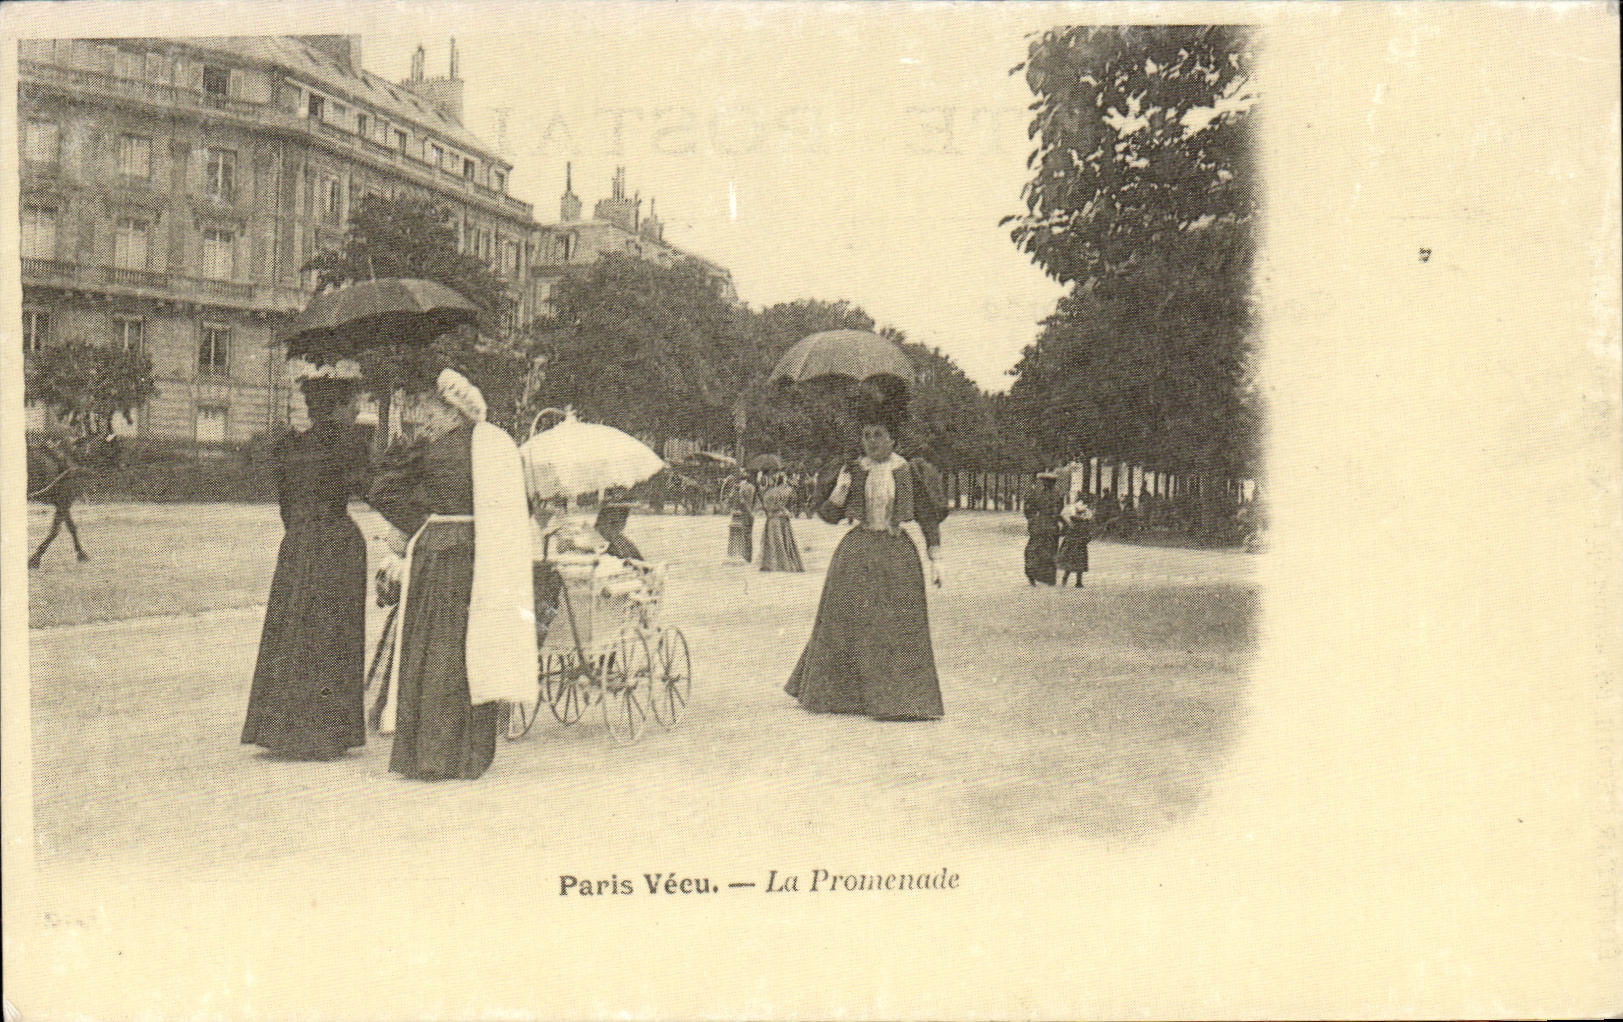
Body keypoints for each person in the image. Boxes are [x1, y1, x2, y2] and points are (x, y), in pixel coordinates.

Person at [368, 368, 536, 781]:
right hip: (486, 554)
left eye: (432, 412)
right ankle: (467, 755)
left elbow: (381, 491)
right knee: (471, 651)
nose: (425, 420)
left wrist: (422, 523)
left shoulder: (432, 451)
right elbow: (523, 507)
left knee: (431, 647)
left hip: (438, 551)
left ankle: (425, 754)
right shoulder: (498, 448)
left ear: (451, 412)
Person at [785, 403, 947, 721]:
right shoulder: (853, 469)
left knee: (895, 624)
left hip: (896, 551)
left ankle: (901, 699)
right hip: (857, 551)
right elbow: (829, 516)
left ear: (893, 440)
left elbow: (928, 516)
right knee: (846, 619)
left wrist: (936, 558)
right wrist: (840, 491)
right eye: (866, 435)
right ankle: (844, 696)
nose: (871, 441)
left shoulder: (910, 471)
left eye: (879, 435)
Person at [241, 371, 371, 760]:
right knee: (332, 632)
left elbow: (286, 505)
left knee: (292, 628)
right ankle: (326, 731)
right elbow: (369, 488)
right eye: (353, 404)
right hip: (335, 543)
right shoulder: (349, 443)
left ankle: (280, 728)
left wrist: (301, 532)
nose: (358, 410)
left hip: (297, 542)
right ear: (337, 407)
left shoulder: (288, 446)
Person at [27, 432, 91, 568]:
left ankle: (79, 551)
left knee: (68, 522)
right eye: (83, 448)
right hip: (61, 492)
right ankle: (37, 556)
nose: (85, 452)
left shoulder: (69, 466)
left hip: (62, 493)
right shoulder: (69, 472)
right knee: (56, 529)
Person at [757, 472, 804, 572]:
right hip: (783, 518)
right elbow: (791, 502)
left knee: (773, 541)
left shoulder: (770, 492)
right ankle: (785, 563)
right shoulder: (787, 491)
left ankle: (773, 564)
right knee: (784, 541)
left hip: (773, 518)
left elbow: (767, 506)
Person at [1023, 471, 1063, 586]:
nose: (1045, 483)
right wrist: (1031, 519)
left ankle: (1043, 577)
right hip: (1045, 524)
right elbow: (1029, 507)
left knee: (1044, 550)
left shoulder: (1045, 493)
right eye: (1044, 481)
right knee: (1039, 550)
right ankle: (1037, 575)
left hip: (1046, 524)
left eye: (1047, 481)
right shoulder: (1051, 493)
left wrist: (1031, 519)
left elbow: (1059, 508)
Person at [1057, 497, 1094, 589]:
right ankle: (1070, 580)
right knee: (1075, 561)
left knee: (1077, 561)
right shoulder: (1078, 521)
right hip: (1076, 543)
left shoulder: (1077, 522)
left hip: (1078, 542)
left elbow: (1087, 531)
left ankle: (1075, 581)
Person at [725, 467, 758, 564]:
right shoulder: (752, 487)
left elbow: (731, 499)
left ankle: (741, 554)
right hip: (750, 513)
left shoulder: (739, 488)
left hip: (742, 514)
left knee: (742, 534)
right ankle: (748, 556)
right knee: (748, 534)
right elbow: (755, 501)